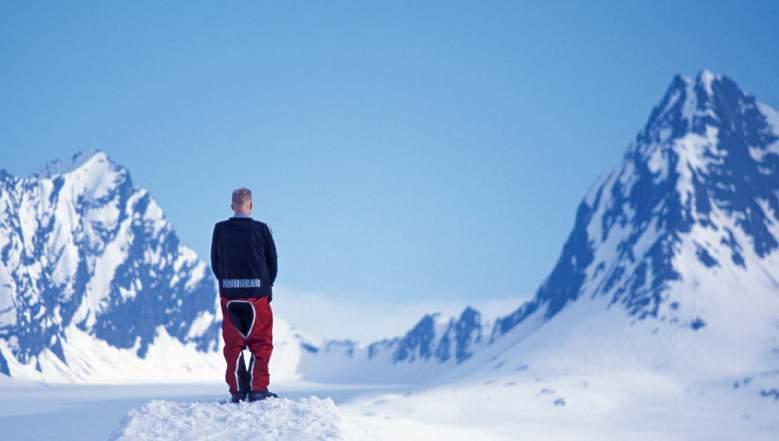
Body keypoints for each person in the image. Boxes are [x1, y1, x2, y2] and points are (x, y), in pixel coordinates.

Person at [210, 187, 278, 403]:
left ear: (232, 206)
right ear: (251, 205)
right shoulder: (262, 229)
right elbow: (272, 261)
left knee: (234, 344)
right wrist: (267, 286)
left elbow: (215, 261)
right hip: (257, 296)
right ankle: (258, 388)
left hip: (230, 296)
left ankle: (238, 390)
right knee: (261, 342)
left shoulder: (220, 230)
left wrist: (226, 283)